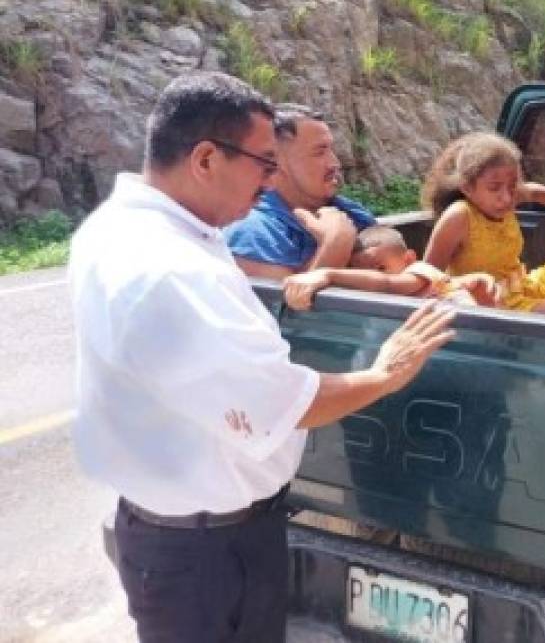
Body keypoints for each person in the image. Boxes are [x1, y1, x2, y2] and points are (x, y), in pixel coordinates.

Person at [69, 72, 455, 642]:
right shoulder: (171, 270)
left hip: (203, 535)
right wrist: (385, 373)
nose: (272, 179)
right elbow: (285, 402)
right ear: (206, 158)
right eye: (263, 162)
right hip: (202, 553)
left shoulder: (129, 230)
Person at [421, 132, 545, 317]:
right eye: (494, 188)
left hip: (523, 286)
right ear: (467, 188)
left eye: (512, 185)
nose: (507, 197)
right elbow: (426, 279)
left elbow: (535, 191)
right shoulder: (459, 216)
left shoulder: (508, 197)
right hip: (495, 307)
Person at [225, 104, 375, 279]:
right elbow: (280, 305)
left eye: (331, 150)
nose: (335, 163)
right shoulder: (253, 233)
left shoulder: (352, 212)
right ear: (277, 161)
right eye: (319, 152)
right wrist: (335, 245)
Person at [282, 225, 498, 310]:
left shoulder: (421, 271)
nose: (372, 277)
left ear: (408, 259)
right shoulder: (382, 303)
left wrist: (328, 274)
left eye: (381, 267)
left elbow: (388, 285)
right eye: (362, 272)